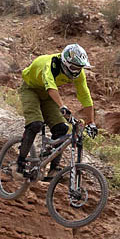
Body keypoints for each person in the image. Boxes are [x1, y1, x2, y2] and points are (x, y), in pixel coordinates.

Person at [16, 43, 98, 180]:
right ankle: (20, 162)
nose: (76, 71)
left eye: (79, 68)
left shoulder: (78, 73)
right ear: (65, 63)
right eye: (73, 67)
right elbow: (50, 87)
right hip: (31, 89)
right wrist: (62, 106)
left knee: (62, 128)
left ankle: (53, 170)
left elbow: (84, 95)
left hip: (48, 95)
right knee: (35, 124)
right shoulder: (51, 64)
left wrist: (91, 122)